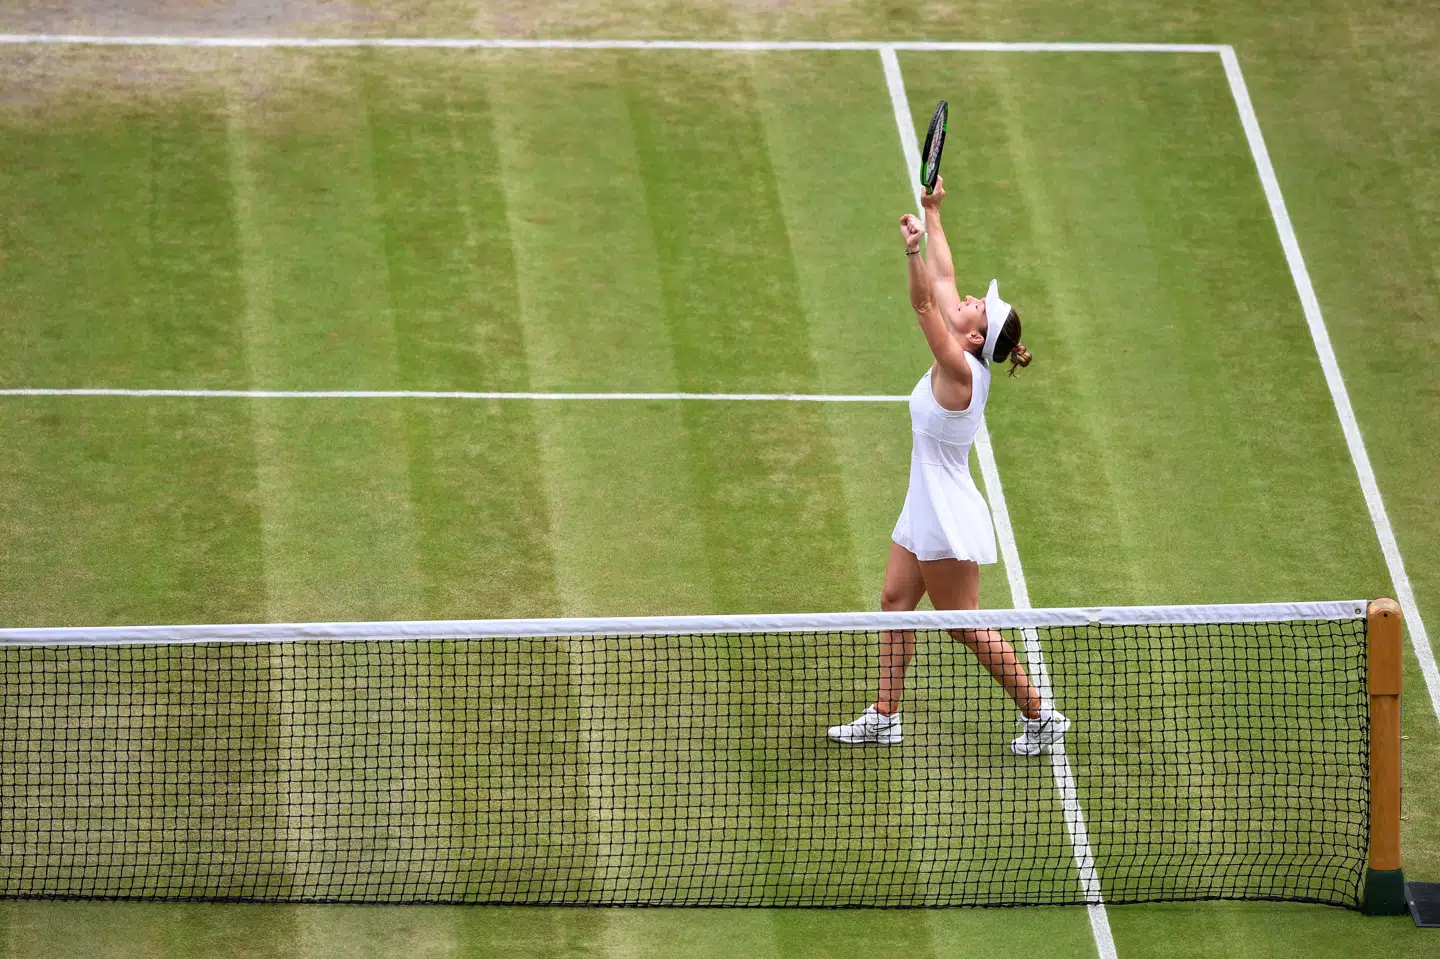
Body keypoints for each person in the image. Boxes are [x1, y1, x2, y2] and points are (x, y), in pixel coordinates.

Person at [827, 178, 1068, 757]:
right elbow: (944, 280)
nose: (966, 299)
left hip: (945, 512)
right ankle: (886, 713)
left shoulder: (959, 373)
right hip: (924, 500)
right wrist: (933, 215)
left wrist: (910, 251)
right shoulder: (966, 355)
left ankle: (1042, 716)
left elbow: (924, 300)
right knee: (894, 600)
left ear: (976, 333)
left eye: (975, 305)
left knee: (963, 625)